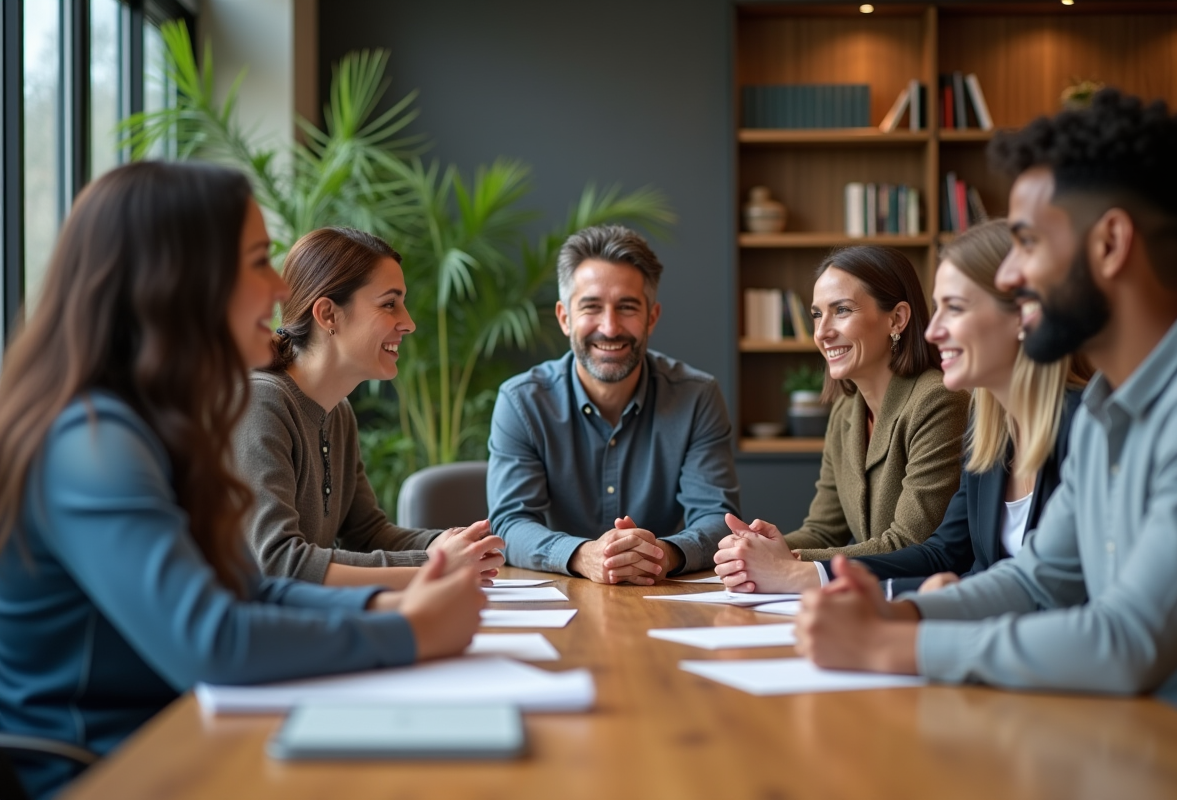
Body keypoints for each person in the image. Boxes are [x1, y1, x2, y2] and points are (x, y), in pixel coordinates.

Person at [0, 162, 484, 800]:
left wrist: (383, 604)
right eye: (258, 261)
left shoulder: (152, 424)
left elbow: (244, 586)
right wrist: (407, 630)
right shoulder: (90, 443)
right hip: (103, 768)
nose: (277, 288)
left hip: (177, 739)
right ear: (179, 280)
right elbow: (210, 640)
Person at [795, 89, 1177, 714]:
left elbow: (1130, 639)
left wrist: (894, 646)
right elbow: (1037, 577)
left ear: (1111, 244)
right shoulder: (1101, 413)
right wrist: (899, 611)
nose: (1010, 277)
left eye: (1029, 243)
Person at [233, 227, 505, 590]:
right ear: (328, 314)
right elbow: (281, 563)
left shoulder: (338, 412)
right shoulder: (261, 402)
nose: (408, 323)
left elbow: (367, 533)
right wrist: (434, 565)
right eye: (389, 303)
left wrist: (445, 545)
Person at [487, 224, 741, 584]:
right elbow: (510, 524)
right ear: (565, 317)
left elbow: (718, 517)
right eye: (591, 307)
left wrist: (661, 554)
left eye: (627, 307)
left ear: (651, 318)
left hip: (658, 594)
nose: (609, 327)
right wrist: (580, 555)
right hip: (560, 596)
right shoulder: (521, 401)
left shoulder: (697, 397)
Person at [714, 246, 969, 591]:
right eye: (818, 314)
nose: (822, 332)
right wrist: (758, 548)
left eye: (842, 311)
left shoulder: (938, 401)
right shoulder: (845, 411)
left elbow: (908, 543)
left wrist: (786, 564)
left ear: (897, 319)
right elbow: (822, 529)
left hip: (925, 602)